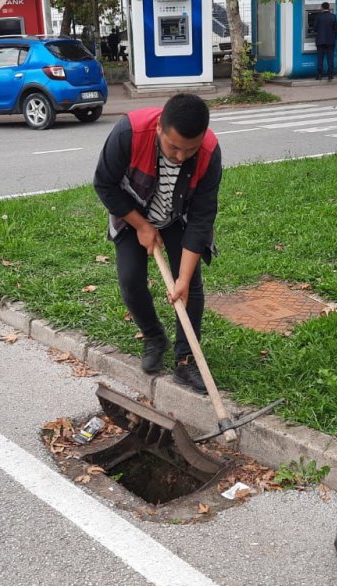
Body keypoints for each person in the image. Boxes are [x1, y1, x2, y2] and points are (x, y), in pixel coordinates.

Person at [93, 94, 223, 395]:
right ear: (159, 130)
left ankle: (185, 359)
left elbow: (202, 218)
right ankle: (154, 337)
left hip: (180, 216)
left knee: (189, 287)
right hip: (132, 211)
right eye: (174, 147)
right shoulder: (129, 133)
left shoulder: (209, 151)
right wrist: (141, 225)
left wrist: (184, 280)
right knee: (130, 280)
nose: (181, 156)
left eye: (189, 150)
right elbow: (104, 184)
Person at [314, 2, 337, 81]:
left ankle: (319, 75)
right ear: (329, 7)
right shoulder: (333, 16)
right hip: (330, 42)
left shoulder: (318, 16)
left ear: (322, 8)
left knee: (320, 59)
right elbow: (336, 30)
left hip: (320, 41)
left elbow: (314, 28)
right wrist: (333, 38)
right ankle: (330, 76)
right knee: (330, 59)